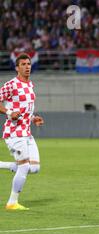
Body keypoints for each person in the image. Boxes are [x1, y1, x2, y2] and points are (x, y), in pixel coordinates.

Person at [0, 53, 44, 210]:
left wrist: (33, 118)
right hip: (14, 132)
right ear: (17, 68)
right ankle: (12, 202)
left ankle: (6, 165)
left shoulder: (30, 85)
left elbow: (25, 110)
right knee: (24, 167)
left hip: (27, 132)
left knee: (35, 167)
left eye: (29, 64)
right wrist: (9, 112)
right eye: (23, 64)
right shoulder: (11, 85)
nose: (27, 67)